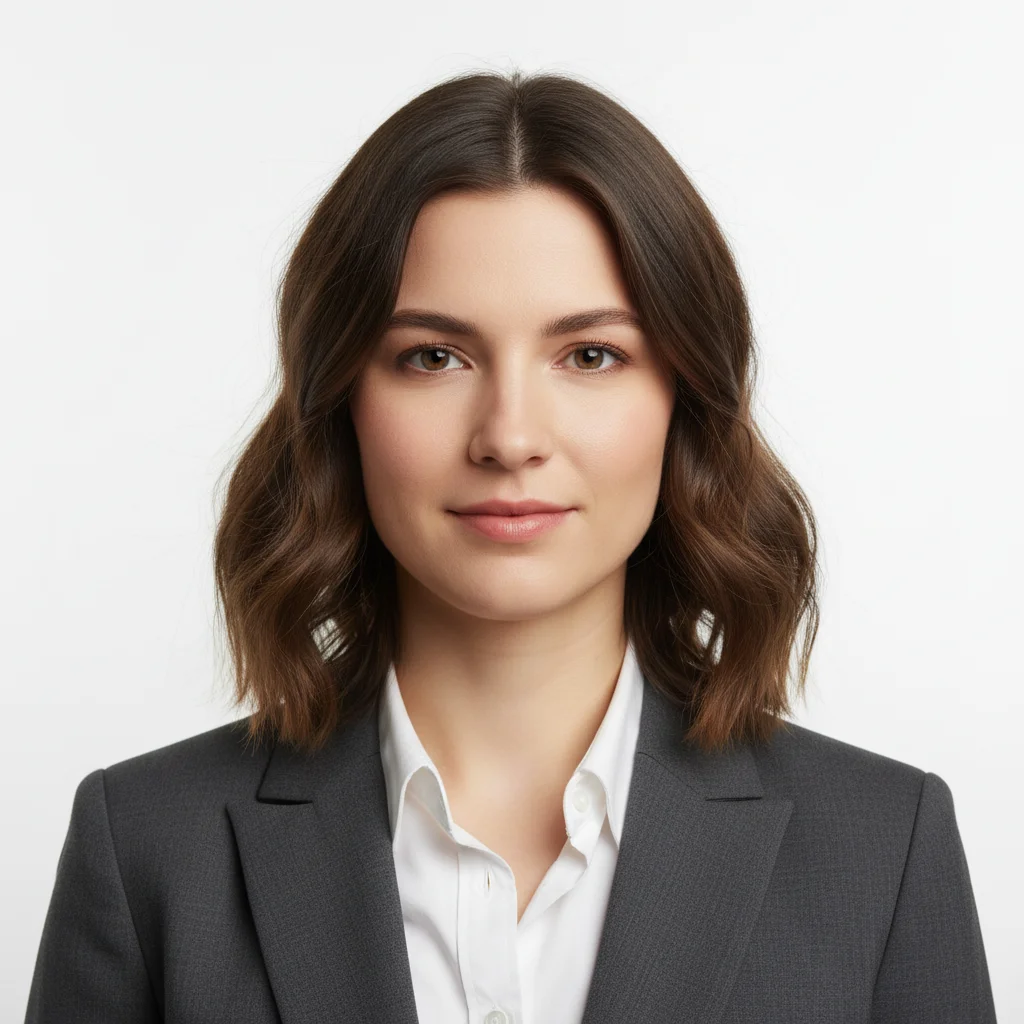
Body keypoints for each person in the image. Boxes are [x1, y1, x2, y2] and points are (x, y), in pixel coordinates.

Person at [25, 68, 997, 1024]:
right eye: (433, 356)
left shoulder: (881, 848)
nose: (509, 435)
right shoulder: (149, 845)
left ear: (682, 400)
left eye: (590, 355)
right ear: (342, 403)